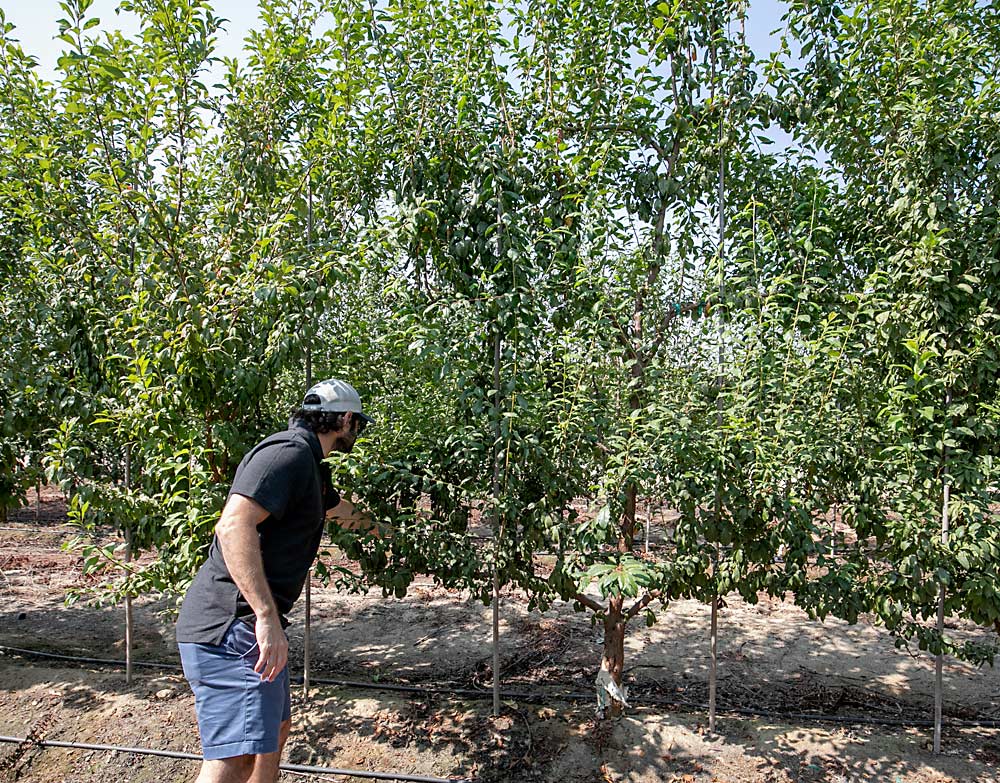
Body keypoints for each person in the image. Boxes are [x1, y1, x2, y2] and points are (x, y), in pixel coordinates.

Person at [176, 378, 375, 783]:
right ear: (346, 420)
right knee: (237, 757)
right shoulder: (288, 453)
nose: (359, 432)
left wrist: (398, 531)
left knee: (272, 736)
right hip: (232, 625)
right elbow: (233, 526)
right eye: (360, 425)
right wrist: (264, 615)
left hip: (247, 627)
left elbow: (340, 511)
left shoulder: (310, 466)